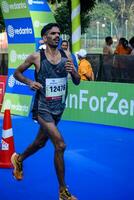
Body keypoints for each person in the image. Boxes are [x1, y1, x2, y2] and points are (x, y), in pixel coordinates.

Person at [11, 23, 80, 200]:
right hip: (42, 108)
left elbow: (78, 81)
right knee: (60, 144)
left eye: (58, 33)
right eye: (53, 33)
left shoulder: (67, 55)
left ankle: (19, 159)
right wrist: (29, 82)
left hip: (58, 108)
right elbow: (17, 73)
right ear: (44, 38)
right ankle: (63, 191)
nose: (57, 36)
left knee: (40, 143)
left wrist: (73, 72)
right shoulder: (36, 57)